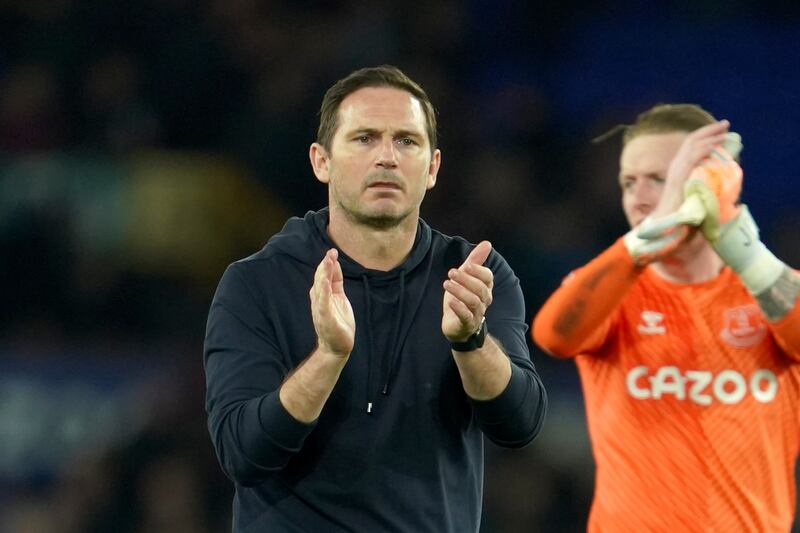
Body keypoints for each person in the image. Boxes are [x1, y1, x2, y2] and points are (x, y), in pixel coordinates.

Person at [203, 65, 547, 533]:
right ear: (321, 160)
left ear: (432, 167)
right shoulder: (257, 283)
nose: (387, 157)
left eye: (406, 141)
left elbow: (520, 425)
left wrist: (471, 340)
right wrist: (328, 356)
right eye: (364, 138)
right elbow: (243, 454)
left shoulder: (474, 276)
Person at [532, 103, 800, 532]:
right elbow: (552, 337)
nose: (639, 198)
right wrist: (638, 246)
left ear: (715, 183)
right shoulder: (611, 290)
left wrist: (740, 245)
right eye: (628, 182)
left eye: (660, 180)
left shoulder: (772, 292)